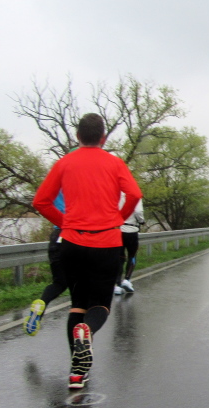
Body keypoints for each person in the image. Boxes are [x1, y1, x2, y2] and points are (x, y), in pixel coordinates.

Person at [32, 113, 142, 390]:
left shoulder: (64, 163)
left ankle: (76, 373)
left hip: (72, 244)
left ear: (78, 136)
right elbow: (135, 195)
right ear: (103, 138)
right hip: (107, 243)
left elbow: (41, 201)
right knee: (100, 305)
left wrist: (66, 223)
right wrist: (118, 218)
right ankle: (88, 331)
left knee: (78, 304)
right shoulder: (115, 163)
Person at [23, 191, 67, 336]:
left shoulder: (56, 189)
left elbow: (41, 201)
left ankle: (41, 304)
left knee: (59, 283)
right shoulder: (78, 185)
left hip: (56, 236)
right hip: (74, 235)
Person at [115, 195, 145, 294]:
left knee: (120, 257)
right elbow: (138, 211)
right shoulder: (135, 195)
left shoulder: (118, 195)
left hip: (119, 230)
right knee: (132, 256)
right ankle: (127, 280)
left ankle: (118, 285)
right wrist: (141, 220)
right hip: (132, 230)